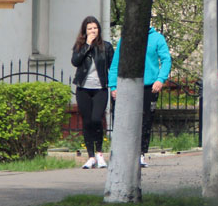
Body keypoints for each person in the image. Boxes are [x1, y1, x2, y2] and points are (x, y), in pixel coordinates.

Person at [108, 26, 172, 168]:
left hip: (149, 86)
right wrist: (113, 86)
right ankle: (125, 154)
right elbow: (115, 64)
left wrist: (160, 79)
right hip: (129, 85)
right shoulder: (127, 39)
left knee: (146, 119)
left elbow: (166, 59)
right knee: (127, 119)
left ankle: (141, 153)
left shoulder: (157, 38)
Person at [71, 16, 114, 169]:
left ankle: (100, 154)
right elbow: (75, 61)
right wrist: (87, 45)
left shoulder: (106, 47)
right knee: (87, 121)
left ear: (99, 30)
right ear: (85, 31)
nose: (93, 31)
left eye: (95, 28)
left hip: (100, 88)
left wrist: (114, 86)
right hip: (83, 88)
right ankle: (90, 156)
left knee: (97, 119)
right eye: (89, 28)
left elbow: (113, 67)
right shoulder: (80, 46)